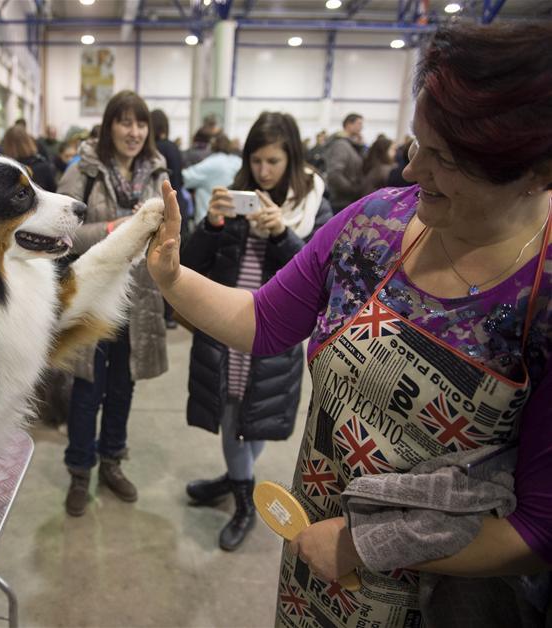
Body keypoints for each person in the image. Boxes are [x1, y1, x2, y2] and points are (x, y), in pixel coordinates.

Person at [146, 21, 552, 628]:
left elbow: (538, 529)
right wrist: (174, 278)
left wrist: (366, 544)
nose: (414, 173)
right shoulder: (375, 226)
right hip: (314, 558)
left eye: (444, 160)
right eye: (418, 145)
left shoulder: (541, 299)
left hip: (438, 597)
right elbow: (262, 321)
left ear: (536, 173)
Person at [182, 112, 332, 551]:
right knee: (232, 418)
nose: (263, 171)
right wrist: (211, 224)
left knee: (259, 422)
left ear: (292, 159)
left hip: (276, 332)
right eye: (256, 160)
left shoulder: (311, 205)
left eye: (273, 161)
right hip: (225, 327)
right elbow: (191, 264)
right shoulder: (234, 197)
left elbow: (323, 277)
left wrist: (283, 235)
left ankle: (235, 481)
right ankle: (246, 499)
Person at [57, 90, 169, 517]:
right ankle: (79, 472)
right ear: (108, 126)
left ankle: (112, 463)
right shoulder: (83, 172)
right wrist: (114, 228)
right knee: (87, 392)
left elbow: (174, 233)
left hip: (138, 301)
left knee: (123, 388)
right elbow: (62, 235)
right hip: (92, 299)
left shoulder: (158, 172)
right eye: (124, 122)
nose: (134, 132)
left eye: (140, 123)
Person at [182, 133, 242, 226]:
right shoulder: (238, 162)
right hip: (233, 220)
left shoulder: (211, 163)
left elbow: (185, 178)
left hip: (209, 219)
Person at [324, 113, 366, 213]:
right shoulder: (341, 145)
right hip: (341, 201)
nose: (361, 127)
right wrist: (352, 190)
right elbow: (334, 173)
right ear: (348, 124)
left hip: (347, 200)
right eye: (359, 123)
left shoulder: (350, 145)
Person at [1, 125, 57, 192]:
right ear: (29, 141)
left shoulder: (4, 171)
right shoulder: (43, 167)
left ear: (6, 145)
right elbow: (54, 192)